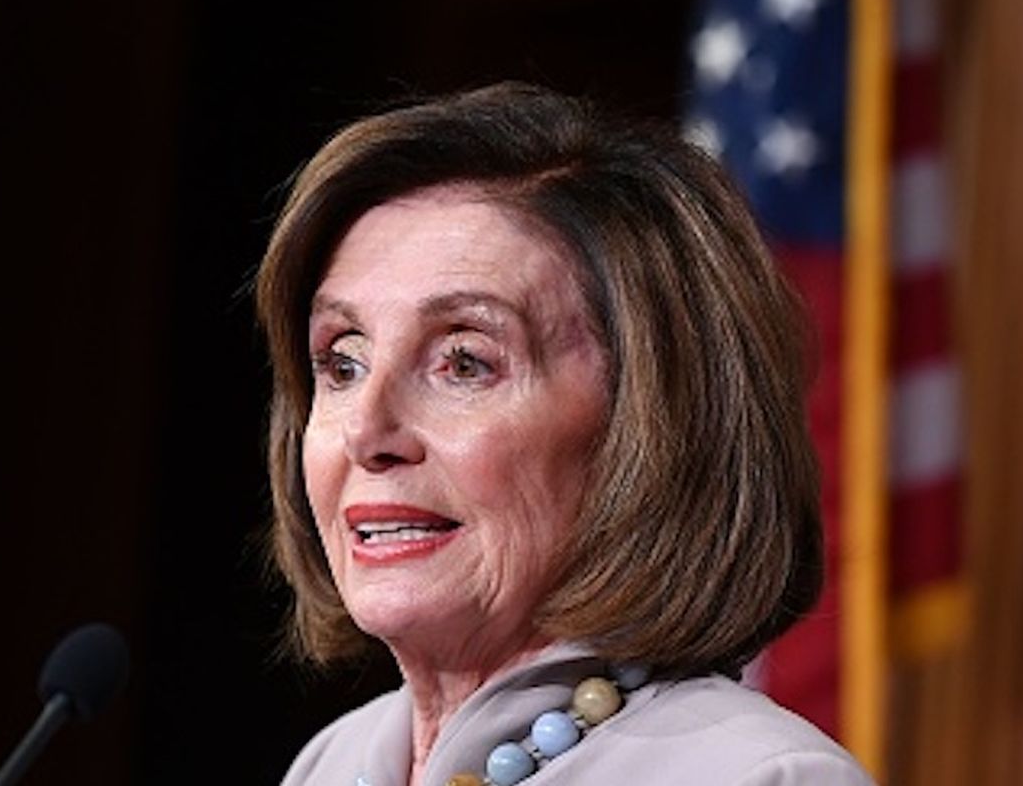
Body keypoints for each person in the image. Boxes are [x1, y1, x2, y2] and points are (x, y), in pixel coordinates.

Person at [256, 82, 873, 785]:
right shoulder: (336, 765)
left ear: (646, 426)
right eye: (342, 363)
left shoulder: (757, 777)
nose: (367, 429)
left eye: (464, 363)